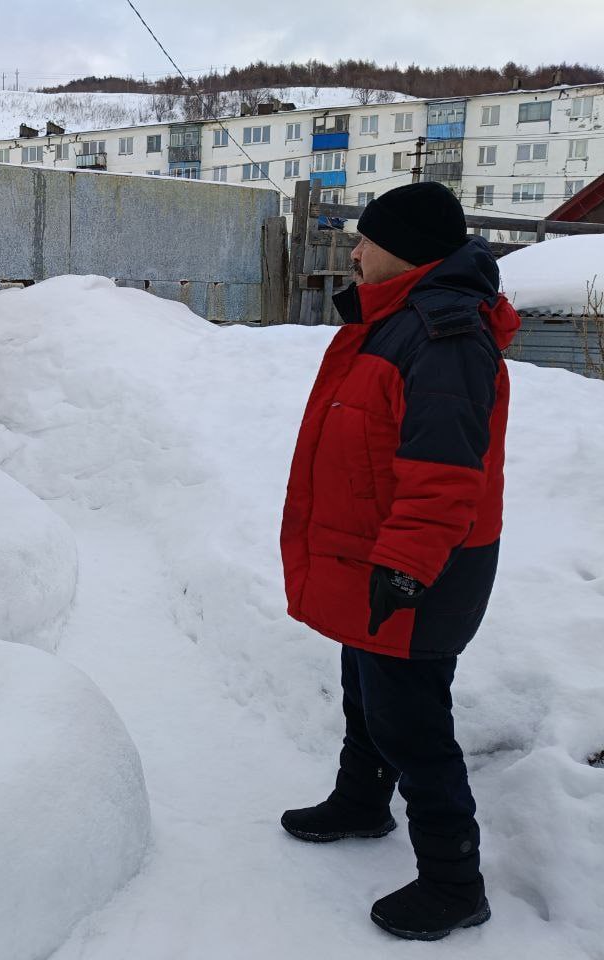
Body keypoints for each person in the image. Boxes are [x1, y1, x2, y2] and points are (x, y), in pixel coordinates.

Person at [278, 182, 521, 941]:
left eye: (365, 239)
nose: (352, 251)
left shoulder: (444, 336)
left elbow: (446, 472)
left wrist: (408, 564)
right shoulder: (396, 322)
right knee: (366, 682)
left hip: (418, 559)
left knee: (412, 720)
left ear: (407, 248)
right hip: (379, 551)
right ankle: (360, 801)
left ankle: (454, 884)